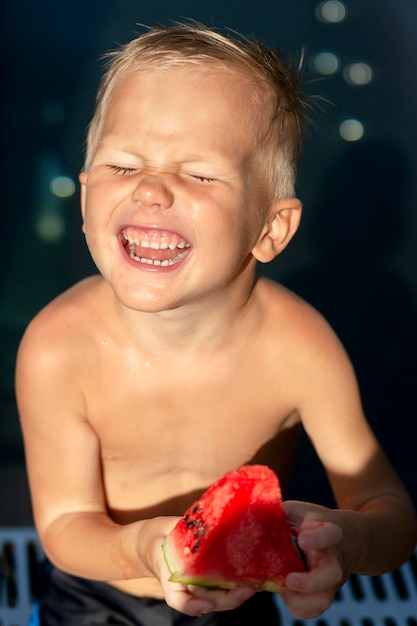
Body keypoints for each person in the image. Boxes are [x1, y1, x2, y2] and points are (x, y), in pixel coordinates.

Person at [16, 21, 417, 626]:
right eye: (123, 165)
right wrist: (147, 549)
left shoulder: (299, 349)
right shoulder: (58, 347)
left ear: (271, 230)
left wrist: (346, 540)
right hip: (97, 592)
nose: (150, 189)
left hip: (240, 594)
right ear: (83, 193)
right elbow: (66, 524)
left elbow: (390, 512)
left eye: (200, 173)